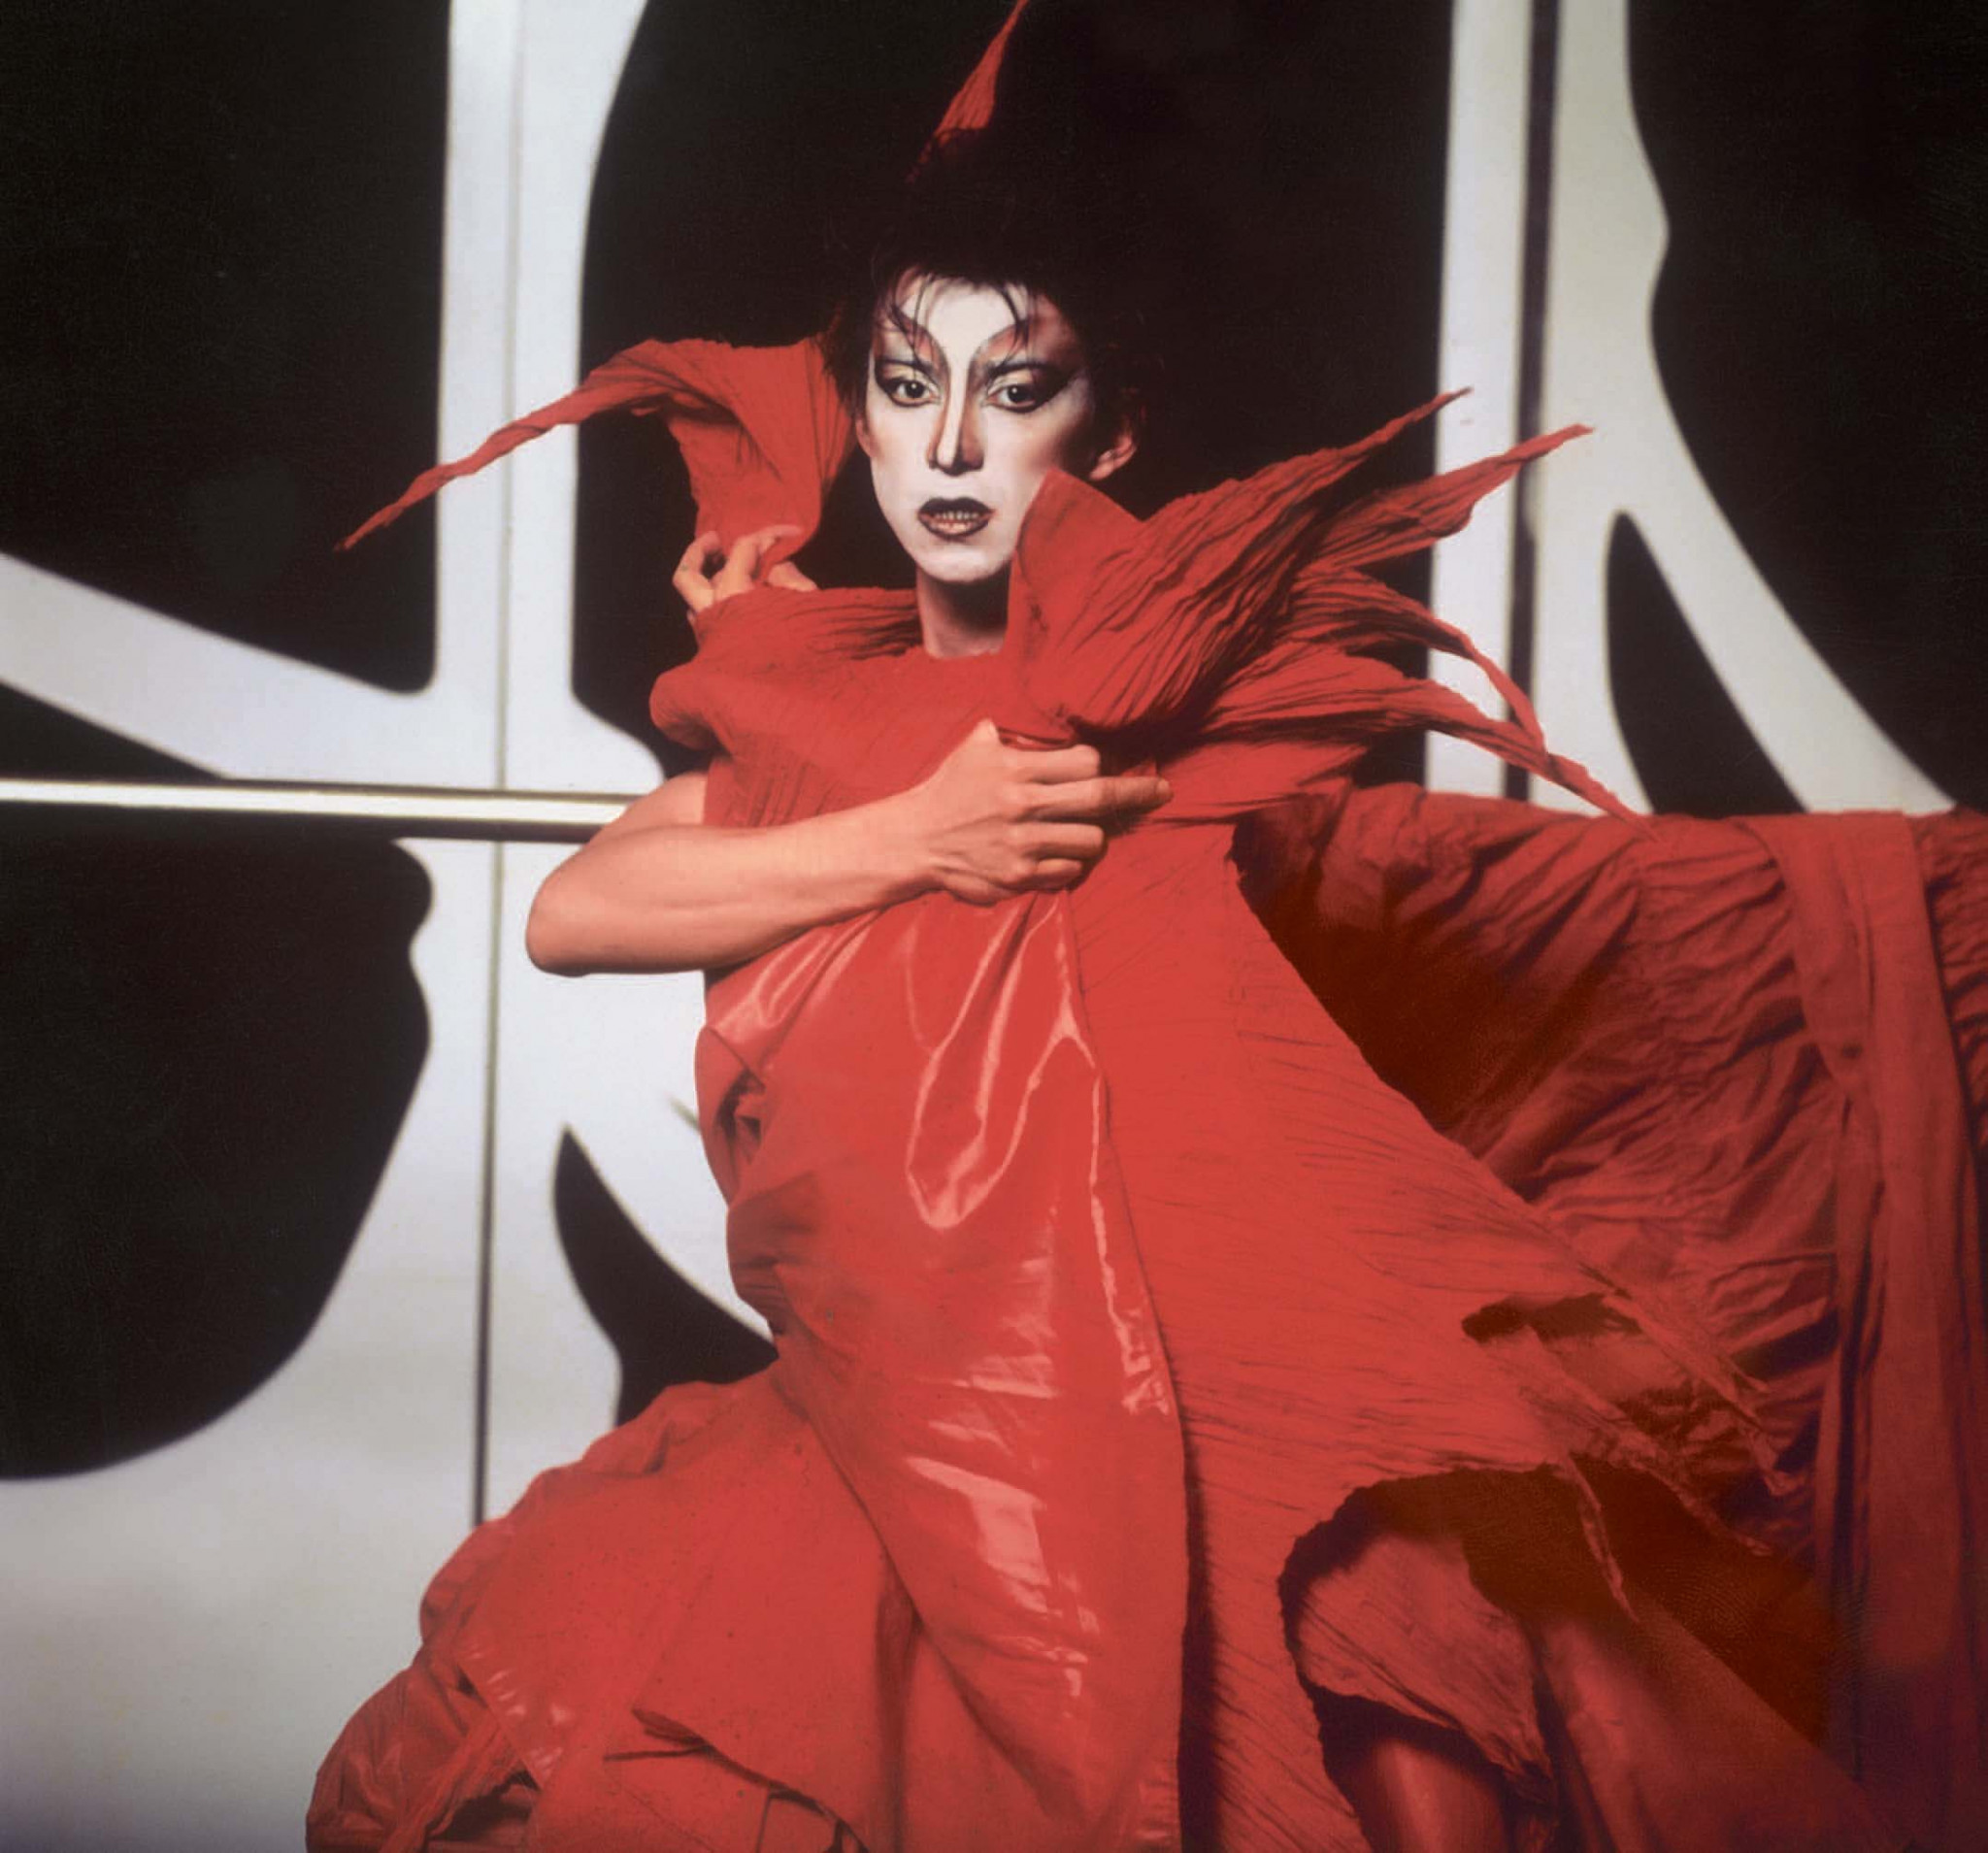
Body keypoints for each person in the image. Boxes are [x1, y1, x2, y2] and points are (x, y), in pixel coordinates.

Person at [311, 46, 1988, 1853]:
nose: (954, 447)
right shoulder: (817, 705)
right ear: (860, 420)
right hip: (896, 1434)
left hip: (1186, 1430)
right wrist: (912, 821)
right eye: (907, 388)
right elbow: (574, 912)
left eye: (1014, 390)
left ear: (1106, 434)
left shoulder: (1150, 718)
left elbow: (1425, 904)